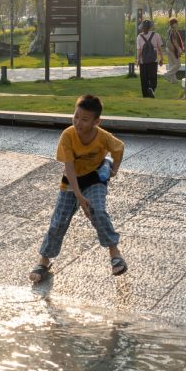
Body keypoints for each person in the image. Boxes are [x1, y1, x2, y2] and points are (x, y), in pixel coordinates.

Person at [29, 95, 127, 284]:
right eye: (76, 116)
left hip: (94, 178)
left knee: (97, 210)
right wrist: (79, 197)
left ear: (97, 121)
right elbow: (69, 168)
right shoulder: (68, 135)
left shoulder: (103, 137)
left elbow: (119, 147)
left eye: (84, 119)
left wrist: (114, 169)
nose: (78, 122)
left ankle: (114, 253)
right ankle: (44, 261)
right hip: (71, 179)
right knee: (59, 220)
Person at [137, 19, 163, 98]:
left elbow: (139, 50)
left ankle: (145, 96)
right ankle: (151, 88)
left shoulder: (139, 37)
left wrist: (138, 60)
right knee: (153, 77)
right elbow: (159, 48)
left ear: (142, 27)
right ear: (150, 27)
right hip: (153, 60)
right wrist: (161, 58)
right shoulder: (156, 35)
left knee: (144, 79)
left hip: (143, 61)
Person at [164, 17, 183, 83]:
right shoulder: (173, 31)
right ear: (173, 24)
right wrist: (179, 49)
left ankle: (173, 80)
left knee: (172, 64)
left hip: (168, 48)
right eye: (176, 23)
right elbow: (174, 41)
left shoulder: (169, 30)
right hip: (172, 49)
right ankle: (167, 74)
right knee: (178, 64)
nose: (177, 24)